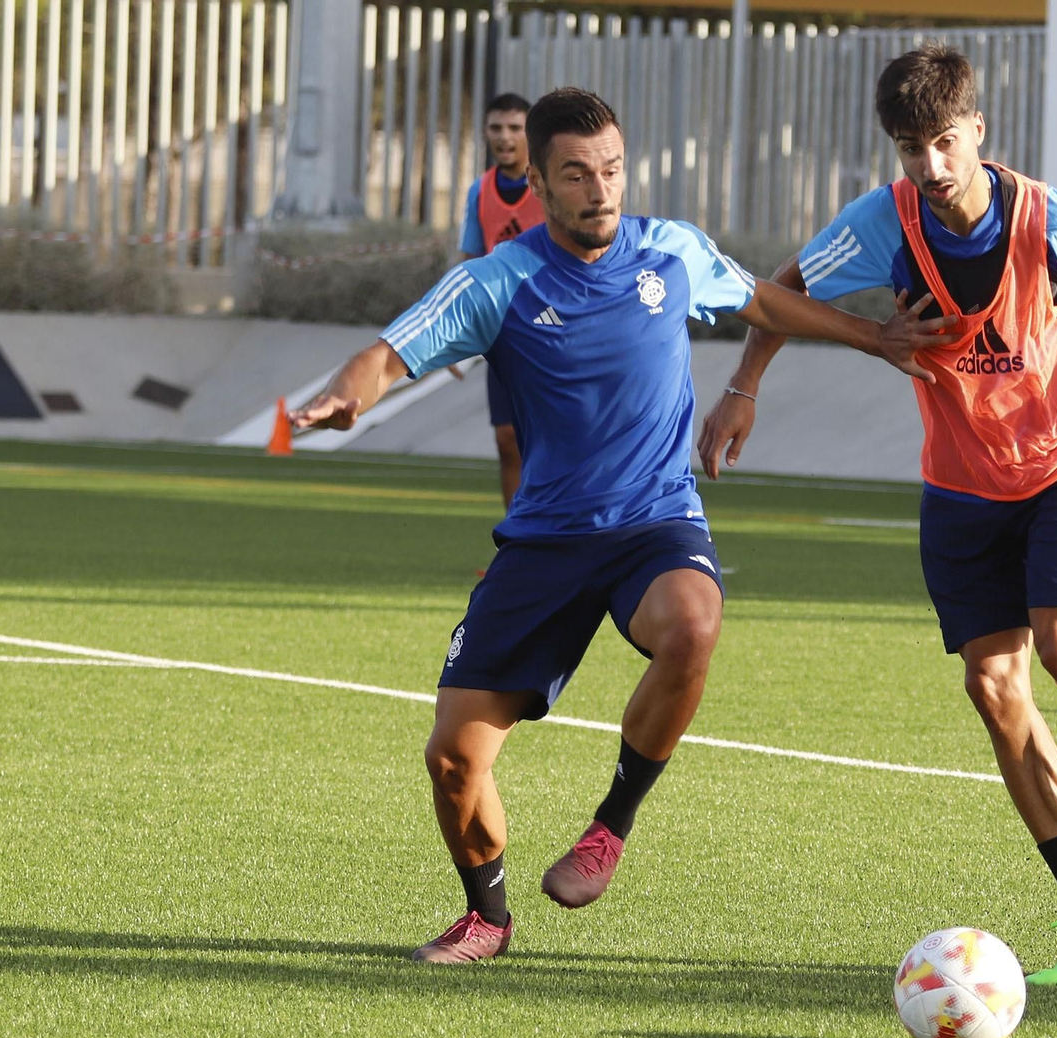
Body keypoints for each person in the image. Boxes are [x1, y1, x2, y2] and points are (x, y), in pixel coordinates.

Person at [290, 87, 950, 964]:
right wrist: (347, 395)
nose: (599, 189)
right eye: (576, 175)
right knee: (452, 760)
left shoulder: (670, 250)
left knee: (694, 624)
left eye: (611, 170)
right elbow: (387, 353)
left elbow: (761, 300)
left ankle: (609, 829)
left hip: (654, 521)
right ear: (539, 183)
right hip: (545, 541)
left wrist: (874, 336)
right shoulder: (499, 281)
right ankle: (487, 918)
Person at [697, 45, 1057, 986]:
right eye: (913, 148)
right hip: (960, 484)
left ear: (978, 131)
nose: (932, 165)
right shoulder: (884, 222)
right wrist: (745, 387)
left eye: (946, 142)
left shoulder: (1053, 223)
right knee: (993, 687)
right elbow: (781, 291)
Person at [458, 92, 544, 508]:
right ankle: (518, 535)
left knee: (555, 438)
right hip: (505, 331)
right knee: (507, 438)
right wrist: (456, 333)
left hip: (556, 327)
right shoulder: (480, 191)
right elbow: (470, 264)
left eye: (515, 128)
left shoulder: (549, 185)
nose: (504, 137)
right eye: (496, 128)